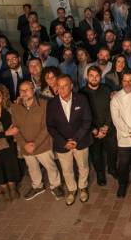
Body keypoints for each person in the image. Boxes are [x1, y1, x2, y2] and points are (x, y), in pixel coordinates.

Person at [11, 80, 64, 200]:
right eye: (21, 90)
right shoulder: (15, 108)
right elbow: (15, 129)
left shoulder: (44, 104)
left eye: (27, 89)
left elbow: (47, 126)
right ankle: (37, 186)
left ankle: (55, 185)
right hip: (26, 147)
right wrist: (24, 144)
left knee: (50, 167)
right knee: (32, 168)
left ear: (33, 90)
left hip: (43, 144)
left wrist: (35, 143)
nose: (24, 92)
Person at [46, 76, 93, 206]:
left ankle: (83, 187)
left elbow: (87, 120)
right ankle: (72, 190)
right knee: (66, 169)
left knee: (83, 167)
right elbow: (50, 126)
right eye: (59, 86)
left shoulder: (81, 99)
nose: (61, 89)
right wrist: (63, 142)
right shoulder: (52, 103)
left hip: (81, 141)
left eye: (65, 85)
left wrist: (76, 139)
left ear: (71, 86)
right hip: (62, 144)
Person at [81, 66, 116, 186]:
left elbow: (112, 109)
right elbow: (82, 115)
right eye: (91, 75)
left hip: (108, 127)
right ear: (87, 77)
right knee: (96, 155)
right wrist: (94, 130)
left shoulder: (107, 89)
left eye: (97, 76)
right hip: (92, 130)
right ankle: (100, 174)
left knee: (112, 150)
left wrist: (106, 126)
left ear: (100, 77)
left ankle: (112, 169)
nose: (94, 78)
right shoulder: (81, 93)